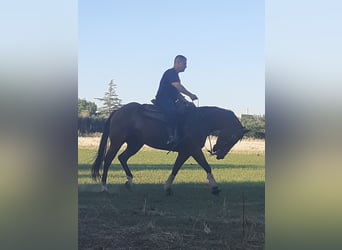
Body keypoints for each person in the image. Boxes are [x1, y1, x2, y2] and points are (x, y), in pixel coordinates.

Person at [154, 55, 198, 144]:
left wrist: (186, 101)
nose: (186, 66)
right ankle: (171, 136)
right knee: (172, 112)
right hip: (163, 99)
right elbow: (178, 87)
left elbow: (176, 93)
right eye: (184, 64)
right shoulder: (171, 73)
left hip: (170, 99)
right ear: (177, 63)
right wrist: (190, 95)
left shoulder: (175, 75)